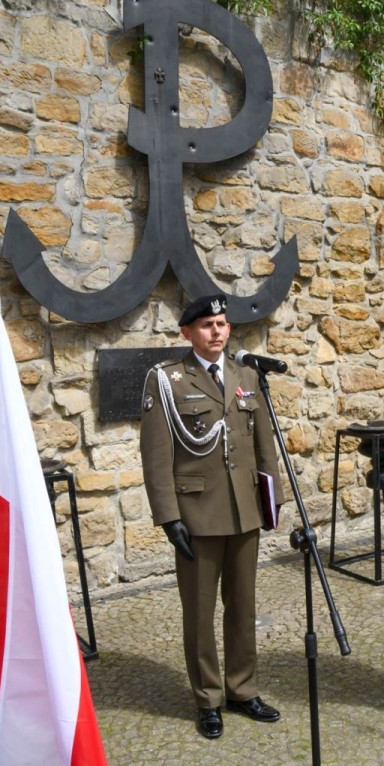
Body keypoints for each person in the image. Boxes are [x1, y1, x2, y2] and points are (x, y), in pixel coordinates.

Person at [139, 293, 283, 740]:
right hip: (196, 514)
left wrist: (270, 500)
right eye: (206, 325)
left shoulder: (246, 375)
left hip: (243, 512)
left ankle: (243, 689)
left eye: (222, 323)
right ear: (187, 333)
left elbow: (263, 444)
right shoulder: (167, 380)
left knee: (243, 607)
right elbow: (156, 455)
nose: (217, 331)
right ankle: (208, 698)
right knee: (200, 614)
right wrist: (168, 517)